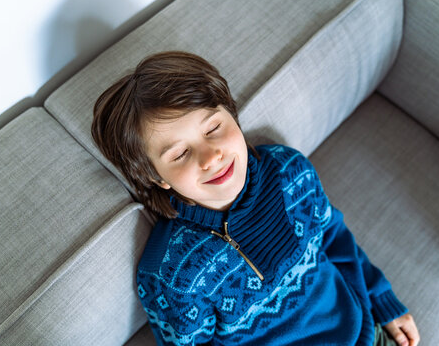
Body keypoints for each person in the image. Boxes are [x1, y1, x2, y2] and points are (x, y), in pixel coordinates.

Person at [91, 51, 420, 346]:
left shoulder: (291, 171)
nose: (211, 156)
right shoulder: (173, 275)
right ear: (155, 177)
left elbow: (334, 236)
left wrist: (382, 300)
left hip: (362, 331)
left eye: (213, 128)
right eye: (180, 154)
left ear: (231, 114)